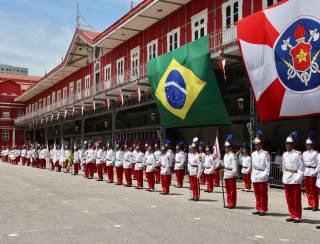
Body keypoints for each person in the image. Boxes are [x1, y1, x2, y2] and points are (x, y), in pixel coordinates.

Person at [282, 132, 304, 223]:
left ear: (292, 144)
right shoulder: (284, 154)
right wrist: (284, 176)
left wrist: (298, 178)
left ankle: (297, 216)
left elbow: (301, 168)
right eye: (286, 143)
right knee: (289, 198)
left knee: (296, 199)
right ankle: (292, 214)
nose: (287, 145)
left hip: (295, 178)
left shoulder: (298, 154)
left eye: (289, 144)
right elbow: (283, 167)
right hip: (287, 178)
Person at [251, 131, 270, 216]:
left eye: (257, 144)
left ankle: (264, 209)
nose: (256, 145)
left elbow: (267, 166)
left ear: (261, 144)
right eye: (255, 144)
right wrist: (252, 176)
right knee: (257, 193)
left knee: (263, 194)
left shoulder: (265, 153)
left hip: (262, 175)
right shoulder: (253, 154)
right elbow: (253, 166)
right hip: (255, 175)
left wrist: (264, 175)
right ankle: (258, 208)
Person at [302, 132, 318, 211]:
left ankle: (315, 205)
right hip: (306, 172)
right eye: (306, 145)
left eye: (308, 145)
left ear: (311, 145)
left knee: (313, 190)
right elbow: (302, 163)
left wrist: (315, 172)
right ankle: (310, 204)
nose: (307, 146)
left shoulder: (316, 153)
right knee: (307, 189)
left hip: (312, 172)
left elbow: (318, 164)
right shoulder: (304, 153)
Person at [222, 134, 237, 209]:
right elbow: (224, 165)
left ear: (230, 148)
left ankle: (232, 203)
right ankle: (228, 202)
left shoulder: (232, 155)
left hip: (231, 174)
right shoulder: (225, 156)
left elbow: (234, 168)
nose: (225, 148)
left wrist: (232, 174)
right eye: (225, 147)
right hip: (226, 173)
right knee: (227, 190)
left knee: (232, 190)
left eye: (227, 147)